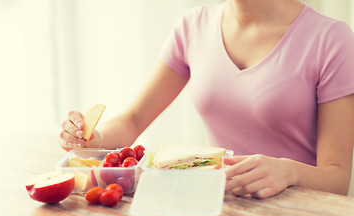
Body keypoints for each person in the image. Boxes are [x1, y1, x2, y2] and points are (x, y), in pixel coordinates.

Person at [59, 0, 354, 199]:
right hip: (216, 208)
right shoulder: (193, 27)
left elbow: (337, 179)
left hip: (299, 215)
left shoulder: (331, 39)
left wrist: (288, 171)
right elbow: (134, 119)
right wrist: (93, 138)